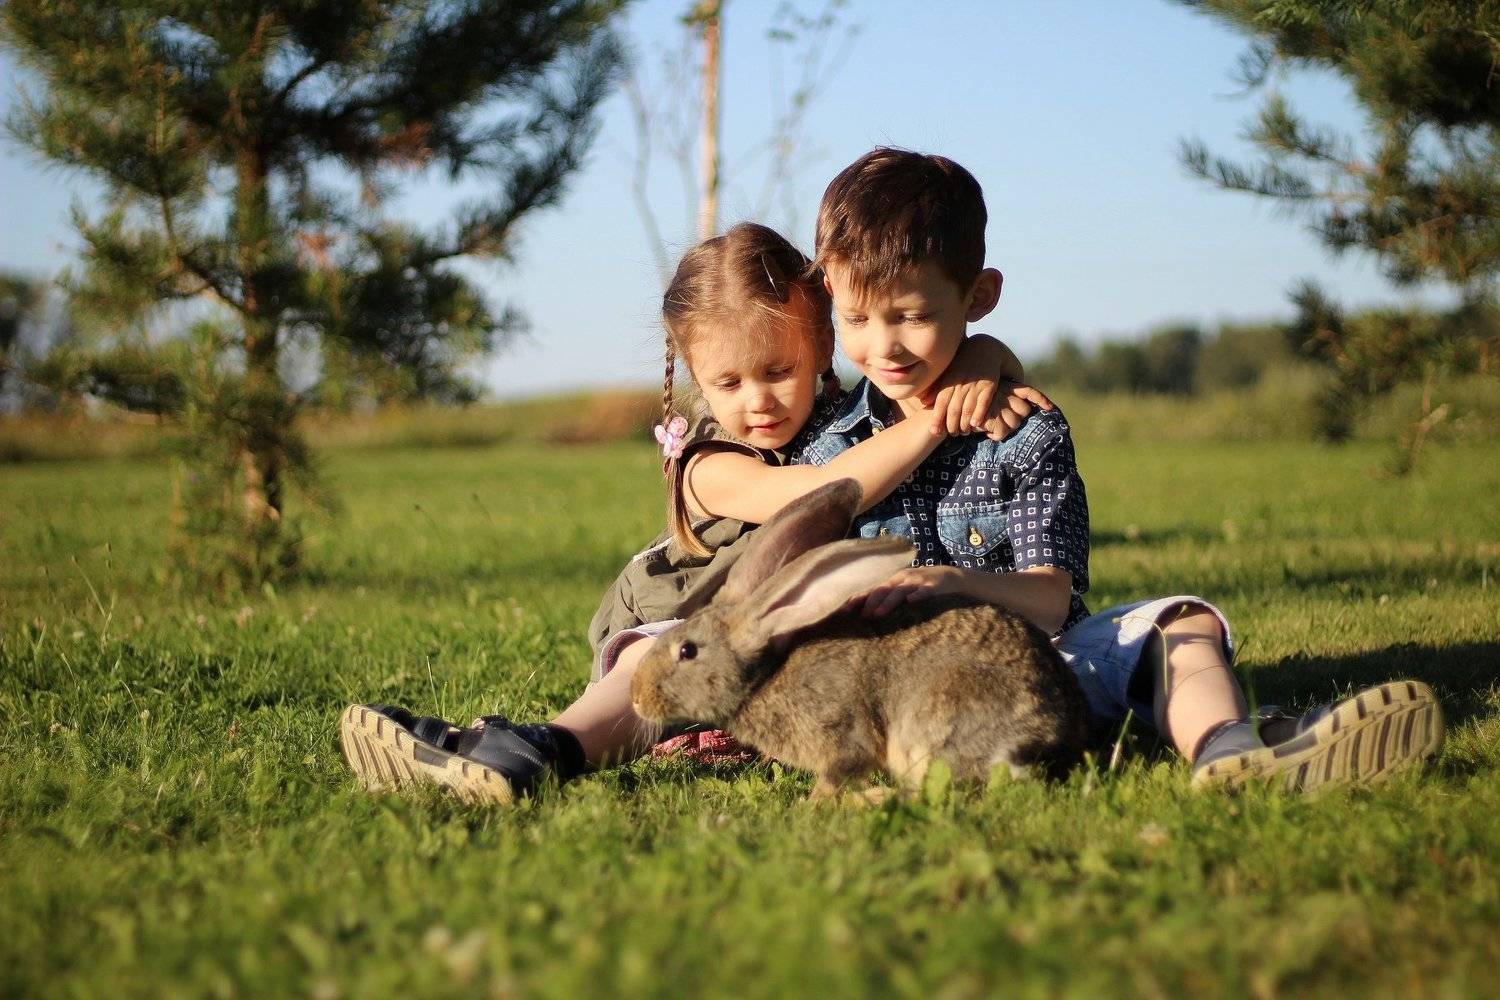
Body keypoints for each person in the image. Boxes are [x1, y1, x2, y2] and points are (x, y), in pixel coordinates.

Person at [797, 146, 1443, 792]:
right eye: (857, 318)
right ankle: (1271, 732)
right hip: (907, 696)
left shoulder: (1024, 433)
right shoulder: (828, 450)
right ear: (831, 298)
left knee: (1180, 626)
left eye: (912, 316)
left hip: (1042, 672)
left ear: (979, 296)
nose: (883, 344)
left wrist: (954, 584)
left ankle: (1227, 748)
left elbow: (1051, 599)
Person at [338, 221, 1052, 803]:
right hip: (686, 618)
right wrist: (935, 418)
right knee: (660, 660)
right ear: (692, 375)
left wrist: (982, 356)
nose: (758, 400)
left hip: (763, 640)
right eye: (728, 382)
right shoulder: (708, 465)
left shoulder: (843, 422)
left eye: (779, 371)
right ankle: (538, 748)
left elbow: (937, 361)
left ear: (823, 346)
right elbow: (828, 491)